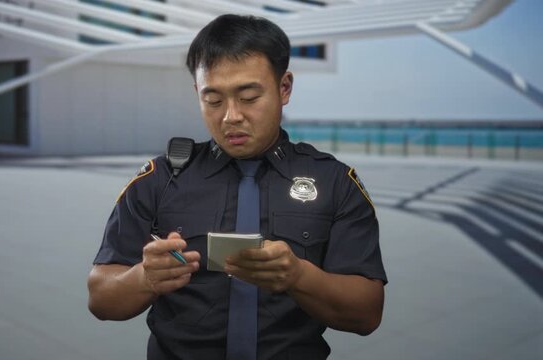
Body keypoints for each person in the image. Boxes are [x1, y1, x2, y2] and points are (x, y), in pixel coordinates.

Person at [87, 14, 386, 360]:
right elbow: (100, 299)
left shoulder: (335, 182)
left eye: (248, 97)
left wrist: (299, 276)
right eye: (213, 100)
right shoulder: (160, 177)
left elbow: (367, 314)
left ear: (284, 87)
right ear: (197, 93)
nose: (231, 116)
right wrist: (142, 278)